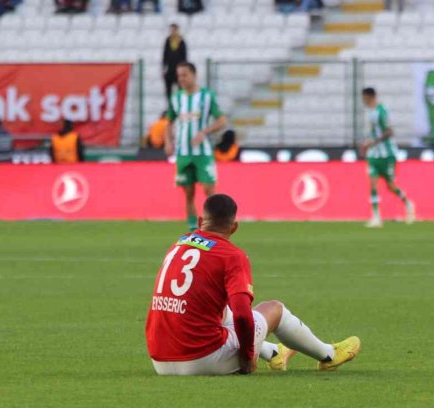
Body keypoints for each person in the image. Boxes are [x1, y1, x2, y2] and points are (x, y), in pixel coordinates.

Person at [145, 193, 361, 376]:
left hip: (159, 360)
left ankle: (275, 354)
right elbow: (242, 314)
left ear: (201, 220)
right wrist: (248, 357)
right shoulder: (232, 255)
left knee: (223, 312)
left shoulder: (179, 244)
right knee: (274, 309)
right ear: (234, 227)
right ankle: (329, 355)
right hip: (201, 361)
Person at [165, 62, 227, 232]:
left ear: (194, 75)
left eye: (184, 75)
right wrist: (168, 142)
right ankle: (193, 226)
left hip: (202, 152)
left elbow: (221, 120)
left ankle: (216, 224)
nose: (181, 79)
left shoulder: (206, 96)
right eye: (179, 76)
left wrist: (204, 132)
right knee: (188, 191)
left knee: (209, 188)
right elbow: (169, 122)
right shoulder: (177, 98)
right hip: (183, 153)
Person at [359, 87, 415, 228]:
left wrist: (373, 142)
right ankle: (376, 217)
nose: (362, 100)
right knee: (372, 182)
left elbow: (389, 132)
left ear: (369, 97)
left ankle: (408, 203)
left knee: (390, 186)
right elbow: (373, 133)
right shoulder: (370, 113)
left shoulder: (381, 111)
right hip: (374, 155)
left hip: (387, 154)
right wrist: (367, 144)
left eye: (364, 97)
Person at [162, 24, 188, 105]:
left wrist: (183, 68)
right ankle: (170, 105)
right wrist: (164, 67)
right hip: (170, 69)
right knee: (168, 89)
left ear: (177, 30)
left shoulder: (181, 41)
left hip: (178, 69)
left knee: (181, 87)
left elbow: (184, 56)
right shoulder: (168, 41)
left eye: (173, 30)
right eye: (171, 30)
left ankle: (181, 104)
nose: (172, 32)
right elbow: (164, 55)